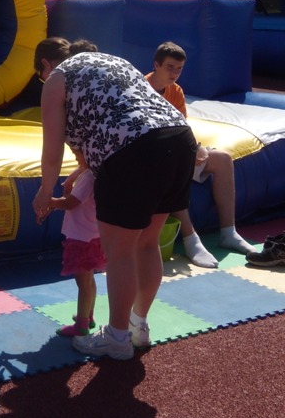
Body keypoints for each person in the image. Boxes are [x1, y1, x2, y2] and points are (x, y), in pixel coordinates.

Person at [32, 37, 197, 361]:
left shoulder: (56, 80)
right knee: (147, 244)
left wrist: (44, 192)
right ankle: (138, 326)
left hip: (133, 151)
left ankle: (118, 338)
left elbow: (52, 153)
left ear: (46, 65)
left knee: (120, 252)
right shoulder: (112, 62)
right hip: (178, 140)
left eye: (41, 73)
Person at [146, 41, 256, 268]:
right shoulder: (141, 89)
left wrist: (194, 149)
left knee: (222, 159)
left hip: (175, 149)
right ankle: (190, 238)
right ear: (156, 65)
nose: (174, 73)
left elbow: (180, 127)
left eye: (179, 69)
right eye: (170, 68)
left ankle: (228, 232)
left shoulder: (175, 91)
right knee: (171, 168)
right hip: (154, 155)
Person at [48, 147, 106, 337]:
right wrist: (73, 177)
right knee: (89, 281)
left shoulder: (88, 178)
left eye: (77, 152)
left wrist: (47, 201)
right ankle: (88, 316)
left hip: (81, 238)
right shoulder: (97, 172)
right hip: (94, 234)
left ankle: (81, 325)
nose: (74, 155)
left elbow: (69, 203)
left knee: (83, 284)